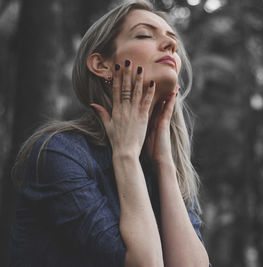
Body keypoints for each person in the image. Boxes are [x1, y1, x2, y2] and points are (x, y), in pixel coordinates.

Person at [8, 1, 210, 266]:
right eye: (145, 35)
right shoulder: (59, 153)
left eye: (172, 40)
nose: (171, 45)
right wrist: (126, 155)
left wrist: (165, 165)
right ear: (101, 65)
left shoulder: (166, 170)